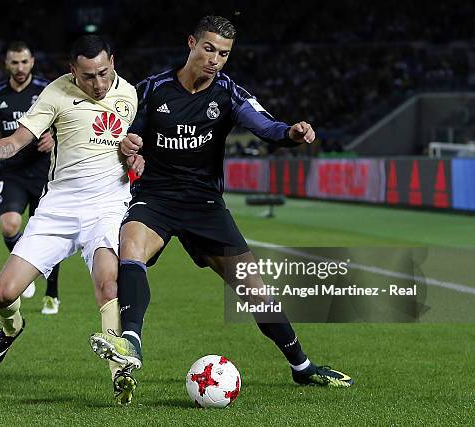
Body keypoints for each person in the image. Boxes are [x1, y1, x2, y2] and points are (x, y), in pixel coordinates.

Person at [89, 16, 353, 393]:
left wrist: (291, 133)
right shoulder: (151, 89)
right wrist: (128, 145)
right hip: (155, 199)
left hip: (205, 206)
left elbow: (266, 126)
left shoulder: (228, 93)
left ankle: (301, 365)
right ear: (191, 43)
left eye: (224, 54)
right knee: (130, 246)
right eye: (209, 49)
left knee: (255, 291)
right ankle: (131, 340)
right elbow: (125, 131)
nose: (215, 59)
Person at [0, 35, 144, 404]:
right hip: (59, 209)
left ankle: (121, 374)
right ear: (73, 71)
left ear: (113, 62)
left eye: (104, 73)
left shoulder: (131, 95)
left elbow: (140, 148)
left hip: (108, 206)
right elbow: (19, 139)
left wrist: (138, 159)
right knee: (3, 294)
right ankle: (12, 328)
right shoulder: (55, 93)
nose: (99, 84)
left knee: (108, 284)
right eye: (88, 77)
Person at [0, 41, 61, 313]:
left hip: (44, 173)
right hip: (11, 170)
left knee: (49, 235)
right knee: (9, 225)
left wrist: (54, 137)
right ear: (7, 63)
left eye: (24, 61)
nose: (20, 67)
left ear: (32, 62)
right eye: (14, 62)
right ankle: (25, 267)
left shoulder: (46, 90)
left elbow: (65, 120)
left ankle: (52, 294)